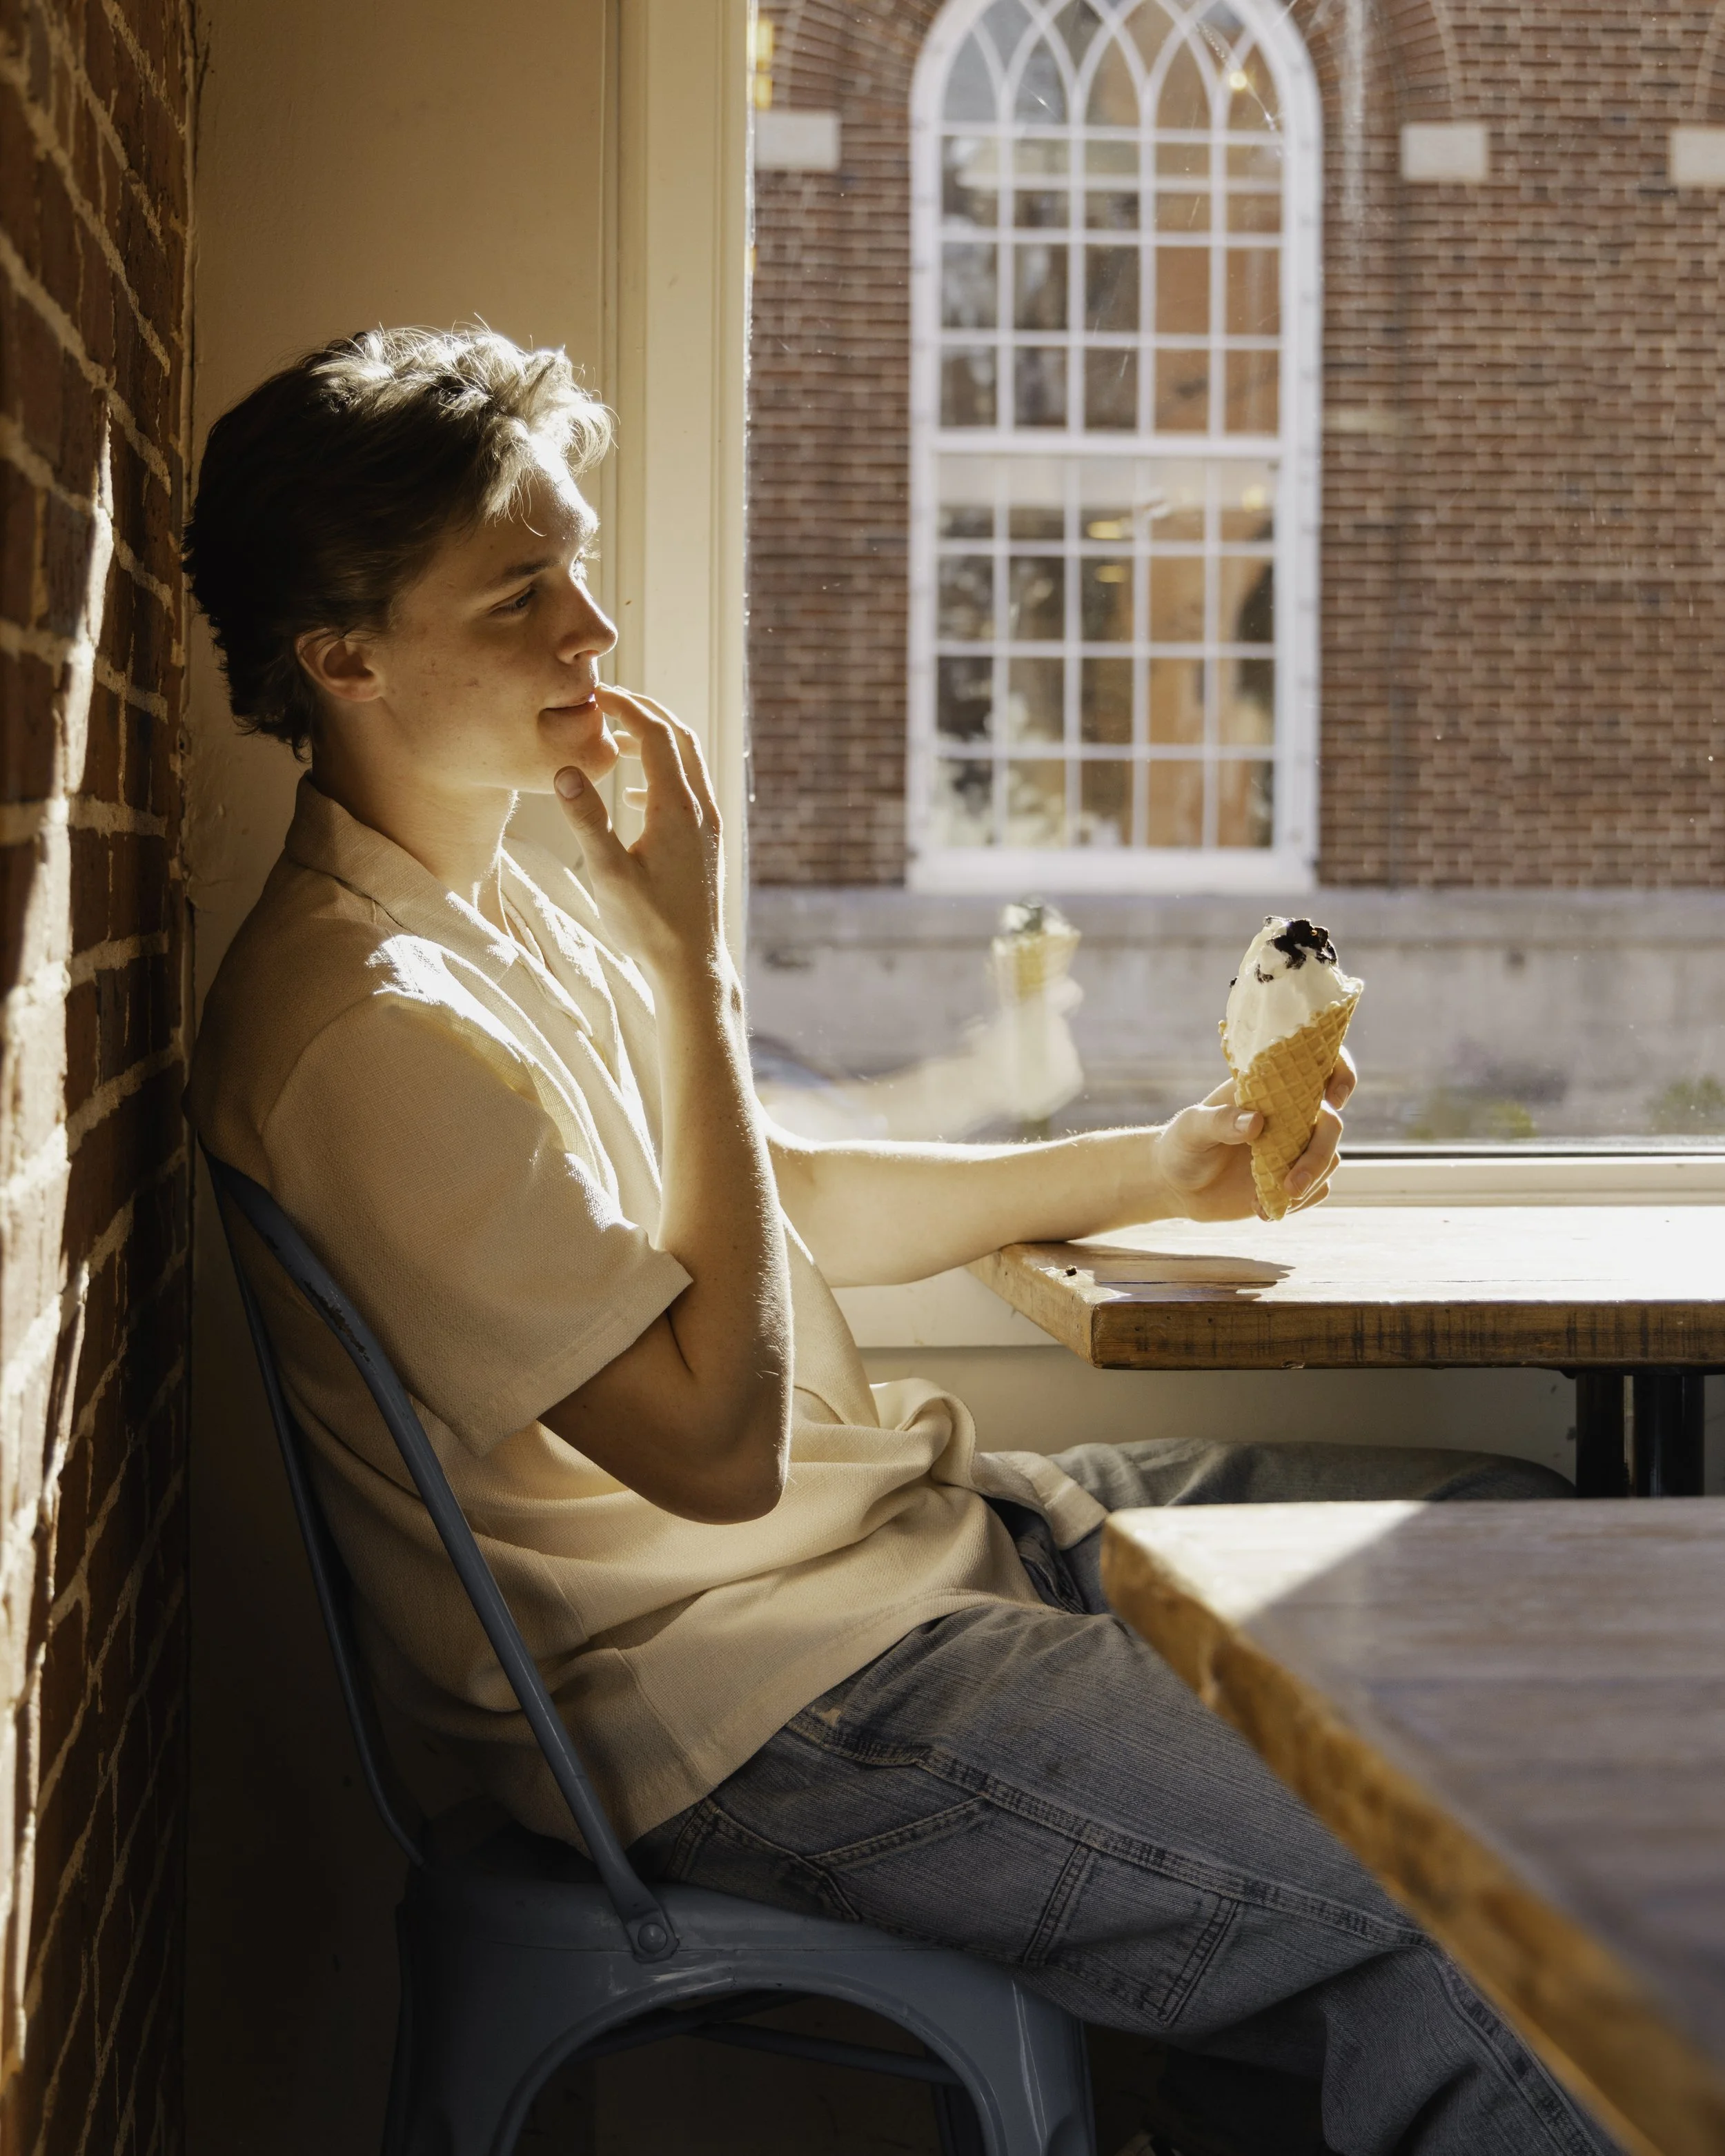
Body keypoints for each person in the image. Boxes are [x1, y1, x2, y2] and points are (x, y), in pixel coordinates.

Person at [184, 326, 1613, 2156]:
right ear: (344, 657)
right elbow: (711, 1447)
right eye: (526, 590)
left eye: (584, 563)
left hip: (910, 1552)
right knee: (1485, 1905)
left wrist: (1160, 1170)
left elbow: (777, 1209)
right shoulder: (365, 1028)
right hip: (766, 1691)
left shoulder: (487, 902)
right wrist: (689, 960)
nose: (594, 634)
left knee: (1520, 1549)